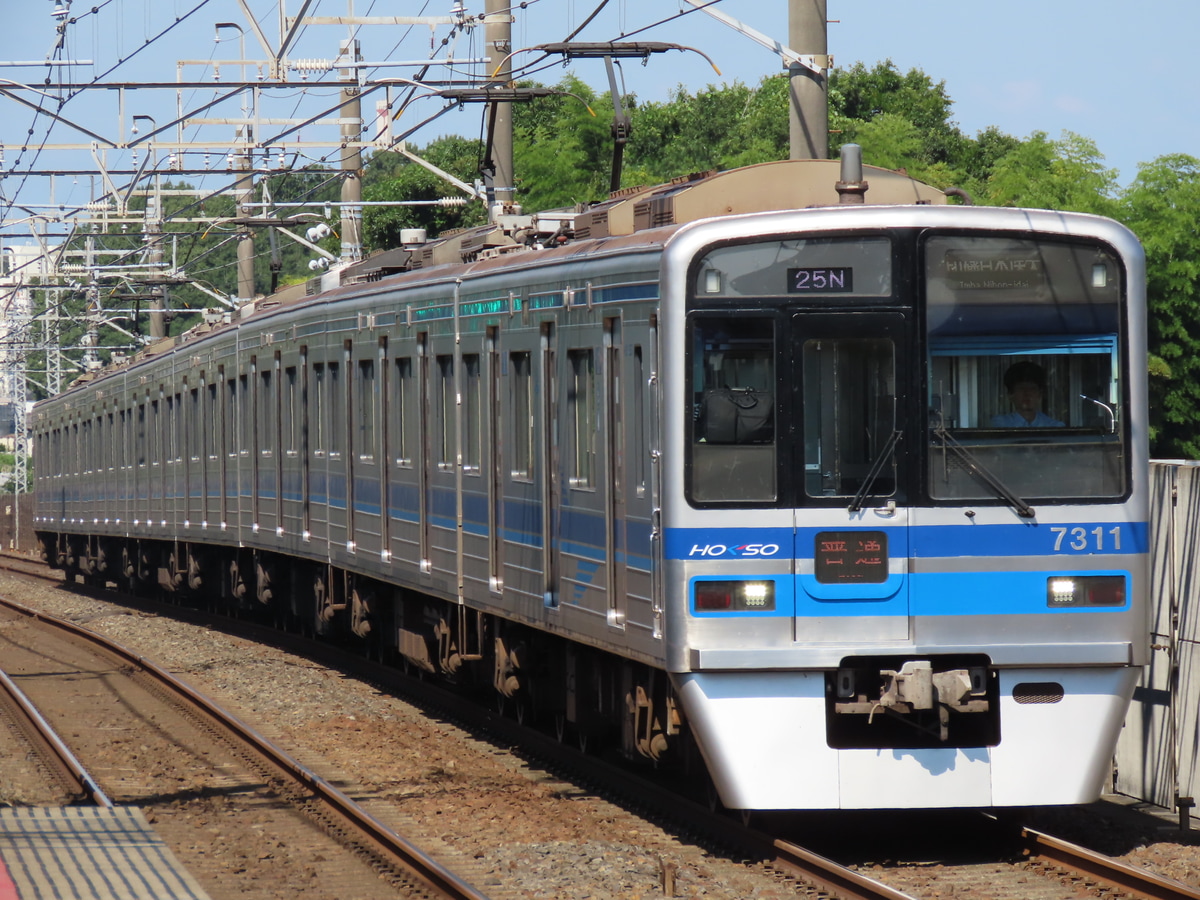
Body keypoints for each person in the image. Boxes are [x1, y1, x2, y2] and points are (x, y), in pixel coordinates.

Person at [990, 361, 1064, 427]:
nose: (1027, 394)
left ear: (1040, 394)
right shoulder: (999, 425)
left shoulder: (1054, 426)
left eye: (1032, 389)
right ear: (1010, 395)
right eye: (1021, 388)